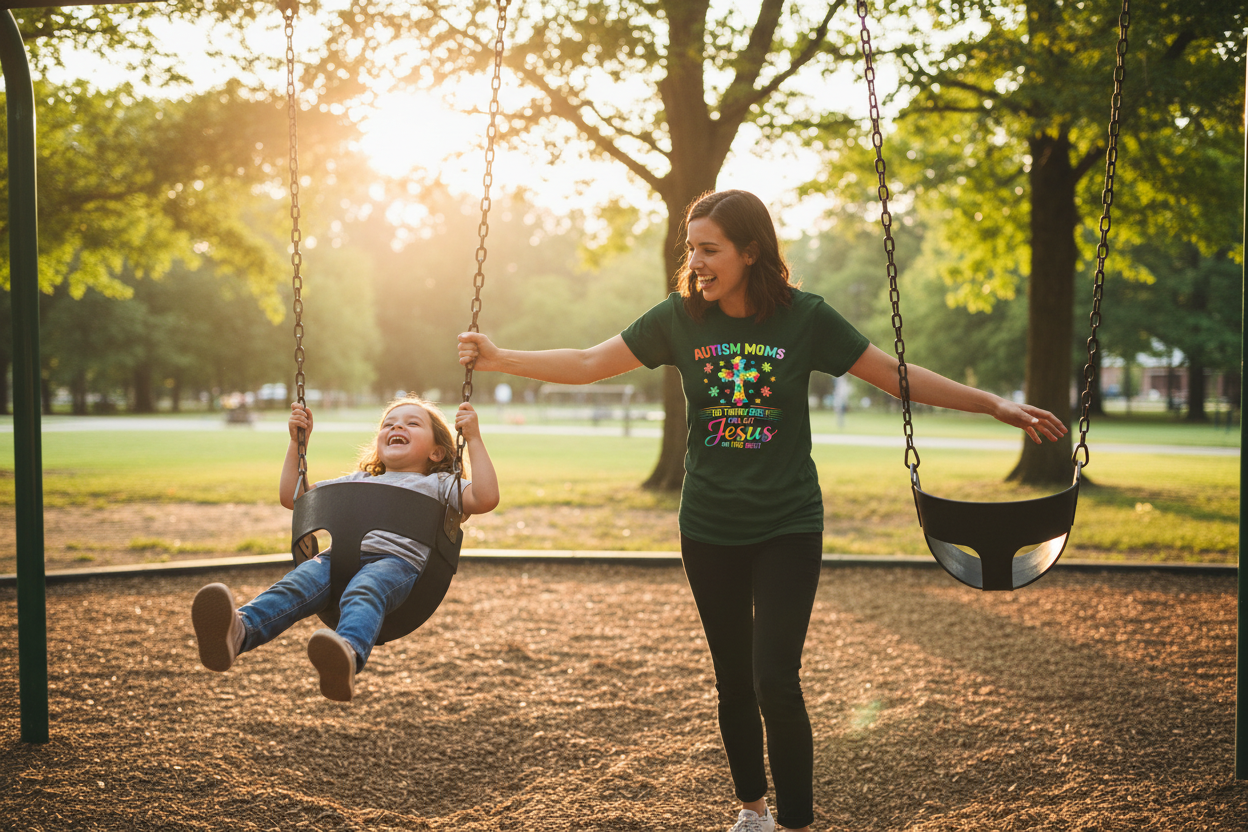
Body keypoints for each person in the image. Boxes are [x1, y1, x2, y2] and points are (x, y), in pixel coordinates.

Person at [457, 190, 1066, 832]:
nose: (696, 262)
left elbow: (896, 376)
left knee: (775, 677)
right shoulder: (679, 318)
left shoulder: (805, 318)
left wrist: (994, 405)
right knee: (733, 680)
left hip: (787, 524)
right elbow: (588, 363)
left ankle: (796, 823)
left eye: (710, 249)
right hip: (709, 527)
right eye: (691, 249)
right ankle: (753, 811)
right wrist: (499, 358)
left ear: (750, 252)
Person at [191, 395, 499, 702]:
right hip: (337, 559)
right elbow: (296, 498)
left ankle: (346, 655)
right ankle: (239, 630)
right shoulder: (360, 480)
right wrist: (297, 442)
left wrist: (473, 437)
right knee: (297, 583)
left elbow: (485, 498)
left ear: (437, 451)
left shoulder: (441, 484)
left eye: (412, 423)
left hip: (396, 564)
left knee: (365, 588)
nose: (397, 427)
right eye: (388, 424)